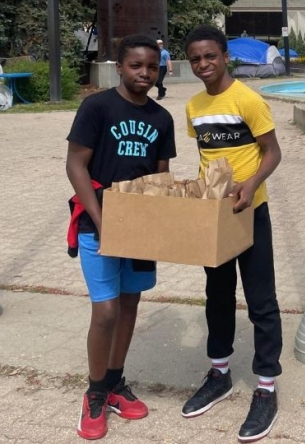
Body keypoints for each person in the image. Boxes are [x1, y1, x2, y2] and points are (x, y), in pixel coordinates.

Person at [66, 35, 177, 440]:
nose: (145, 73)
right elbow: (76, 165)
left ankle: (114, 383)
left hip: (140, 226)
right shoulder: (97, 107)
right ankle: (94, 394)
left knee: (130, 305)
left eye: (151, 67)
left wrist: (165, 222)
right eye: (136, 66)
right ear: (120, 66)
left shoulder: (162, 119)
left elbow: (161, 176)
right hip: (97, 223)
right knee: (107, 311)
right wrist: (99, 217)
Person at [181, 25, 283, 443]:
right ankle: (219, 373)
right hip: (214, 213)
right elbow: (205, 156)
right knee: (217, 296)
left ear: (226, 56)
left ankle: (265, 388)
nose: (203, 65)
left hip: (250, 212)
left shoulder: (248, 100)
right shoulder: (193, 107)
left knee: (260, 300)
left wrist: (252, 182)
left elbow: (273, 152)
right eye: (196, 59)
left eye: (210, 56)